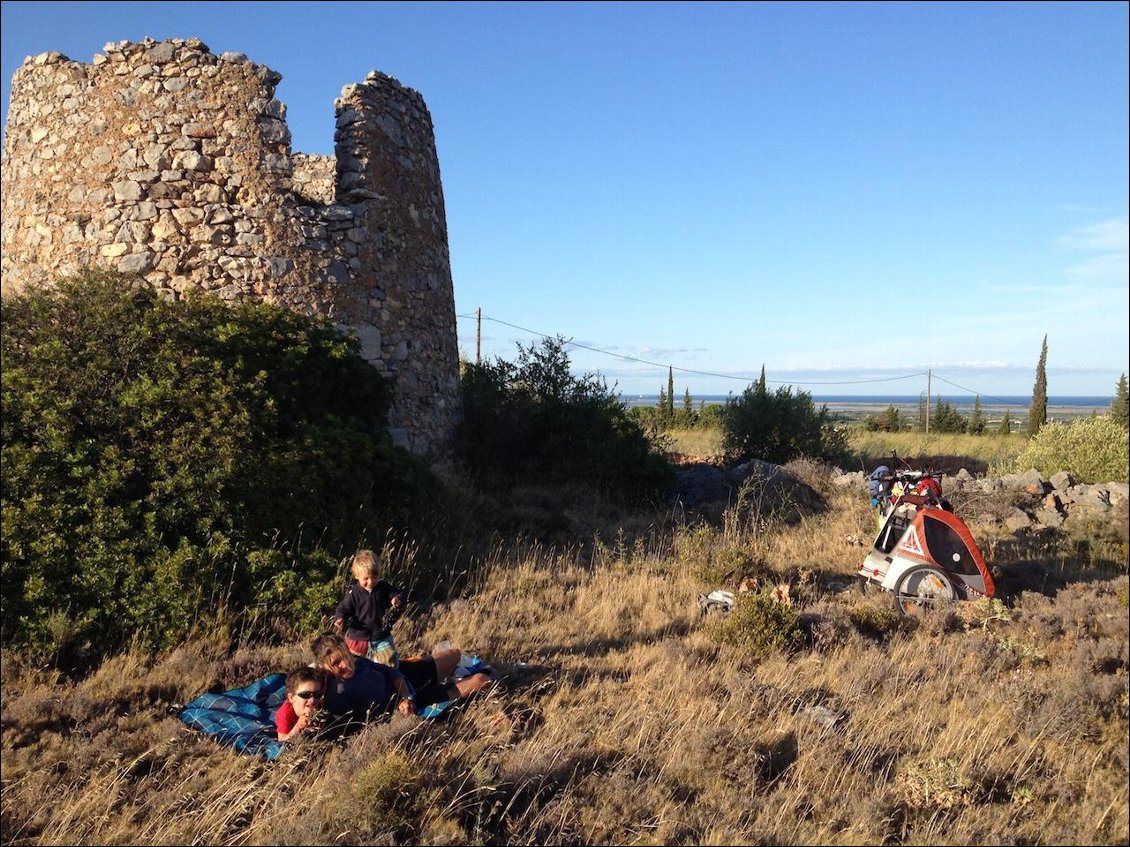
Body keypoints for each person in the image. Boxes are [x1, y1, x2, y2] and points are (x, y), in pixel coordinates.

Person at [311, 634, 495, 729]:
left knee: (454, 654)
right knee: (482, 679)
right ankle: (463, 681)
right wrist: (405, 704)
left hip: (406, 681)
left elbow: (390, 672)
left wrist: (406, 694)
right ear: (325, 668)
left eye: (345, 656)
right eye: (336, 663)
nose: (346, 664)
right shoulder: (337, 692)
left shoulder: (358, 661)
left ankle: (458, 671)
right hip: (412, 704)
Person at [331, 549, 405, 665]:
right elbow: (343, 608)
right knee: (354, 665)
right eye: (366, 578)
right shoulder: (354, 593)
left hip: (380, 635)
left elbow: (398, 593)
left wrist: (396, 599)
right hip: (357, 637)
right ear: (356, 576)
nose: (370, 582)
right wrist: (340, 618)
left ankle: (388, 681)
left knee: (390, 662)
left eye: (374, 577)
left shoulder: (383, 587)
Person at [274, 666, 330, 741]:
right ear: (291, 698)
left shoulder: (320, 704)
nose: (312, 700)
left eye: (317, 694)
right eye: (305, 695)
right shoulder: (285, 713)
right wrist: (297, 727)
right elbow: (281, 740)